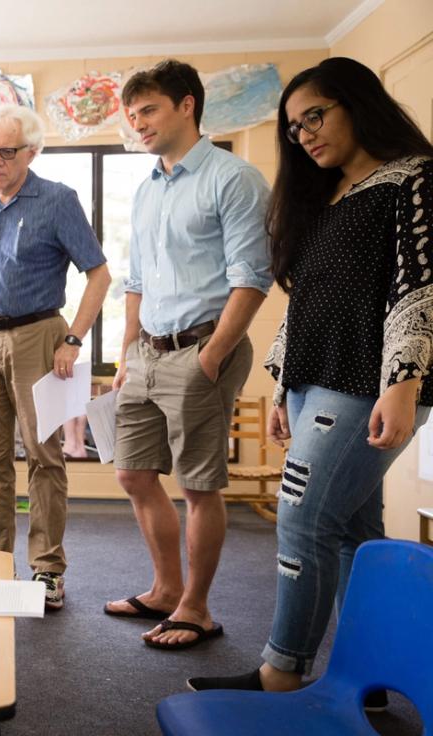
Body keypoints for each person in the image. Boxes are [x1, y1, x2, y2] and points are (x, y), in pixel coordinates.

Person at [189, 57, 433, 695]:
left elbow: (424, 285)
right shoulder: (329, 199)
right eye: (295, 128)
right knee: (354, 530)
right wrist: (280, 383)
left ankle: (282, 670)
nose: (305, 135)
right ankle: (366, 681)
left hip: (368, 382)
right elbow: (310, 301)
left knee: (301, 518)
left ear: (359, 102)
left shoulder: (415, 178)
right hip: (315, 381)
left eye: (315, 116)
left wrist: (404, 382)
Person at [103, 60, 273, 650]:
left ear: (186, 106)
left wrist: (213, 355)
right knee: (132, 473)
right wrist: (126, 353)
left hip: (202, 348)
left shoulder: (234, 178)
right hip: (146, 353)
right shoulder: (148, 188)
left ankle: (197, 609)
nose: (138, 123)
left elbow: (252, 277)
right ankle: (165, 589)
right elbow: (135, 281)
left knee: (199, 485)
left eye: (148, 110)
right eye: (132, 115)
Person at [0, 104, 111, 610]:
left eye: (6, 151)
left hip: (39, 338)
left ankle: (47, 569)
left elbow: (99, 275)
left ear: (32, 152)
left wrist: (74, 339)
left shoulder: (58, 201)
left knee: (44, 458)